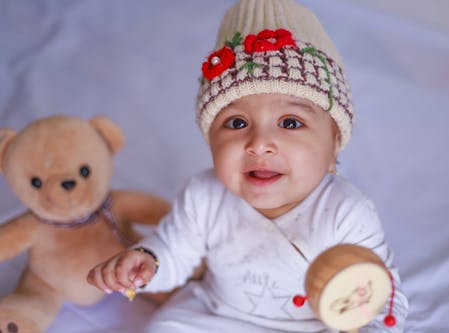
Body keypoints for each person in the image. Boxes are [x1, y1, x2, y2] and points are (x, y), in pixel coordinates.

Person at [87, 0, 409, 332]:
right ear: (211, 140)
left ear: (333, 145)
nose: (259, 143)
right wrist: (149, 263)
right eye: (237, 123)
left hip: (315, 325)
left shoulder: (346, 211)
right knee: (166, 325)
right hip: (220, 315)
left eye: (290, 122)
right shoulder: (204, 194)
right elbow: (175, 252)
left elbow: (384, 296)